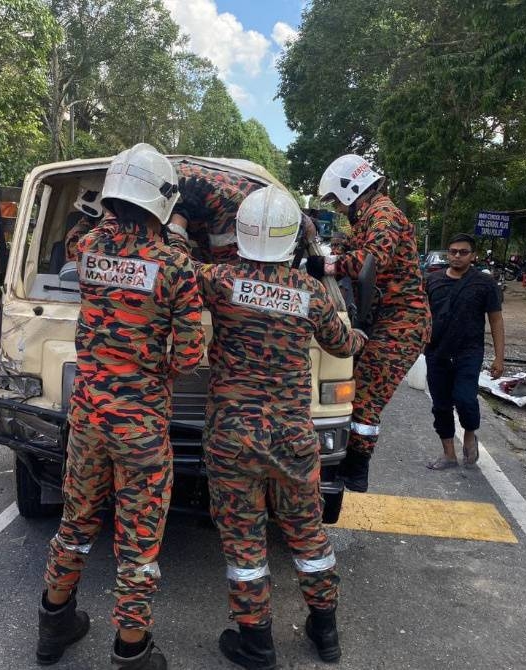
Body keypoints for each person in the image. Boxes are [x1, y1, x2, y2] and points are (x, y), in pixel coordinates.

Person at [166, 186, 366, 668]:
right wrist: (361, 335)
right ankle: (326, 630)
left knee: (243, 540)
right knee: (306, 533)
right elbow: (342, 346)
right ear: (290, 238)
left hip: (233, 437)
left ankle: (255, 641)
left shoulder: (220, 279)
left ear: (242, 233)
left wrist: (176, 228)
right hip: (293, 438)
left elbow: (175, 271)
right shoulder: (311, 292)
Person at [36, 143, 206, 669]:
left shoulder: (88, 249)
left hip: (87, 418)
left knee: (75, 524)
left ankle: (53, 627)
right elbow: (193, 354)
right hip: (141, 428)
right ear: (161, 201)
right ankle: (132, 651)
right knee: (137, 540)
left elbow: (81, 239)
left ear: (113, 195)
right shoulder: (176, 266)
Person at [305, 154, 431, 492]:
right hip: (383, 317)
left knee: (366, 396)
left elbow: (370, 259)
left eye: (337, 200)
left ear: (351, 189)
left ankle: (355, 469)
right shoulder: (368, 218)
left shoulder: (384, 214)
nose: (339, 208)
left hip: (402, 322)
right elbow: (350, 246)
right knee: (359, 389)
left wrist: (326, 266)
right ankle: (349, 463)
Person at [423, 233, 505, 470]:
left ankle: (470, 433)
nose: (457, 256)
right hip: (437, 351)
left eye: (463, 252)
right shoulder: (432, 280)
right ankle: (449, 454)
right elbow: (422, 316)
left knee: (465, 398)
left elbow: (496, 321)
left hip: (469, 351)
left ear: (473, 255)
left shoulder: (484, 283)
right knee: (440, 405)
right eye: (453, 251)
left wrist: (499, 358)